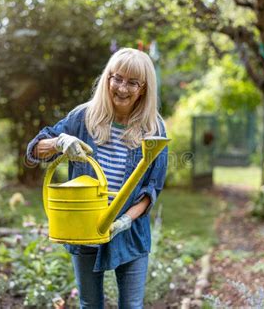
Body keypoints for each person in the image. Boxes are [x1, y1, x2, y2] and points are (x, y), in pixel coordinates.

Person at [25, 47, 168, 308]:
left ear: (144, 88)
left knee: (131, 306)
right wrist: (59, 142)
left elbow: (152, 188)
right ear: (107, 78)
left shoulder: (154, 128)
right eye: (117, 78)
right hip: (85, 226)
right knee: (90, 304)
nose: (123, 88)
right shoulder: (83, 117)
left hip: (130, 230)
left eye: (133, 82)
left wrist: (125, 220)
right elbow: (34, 150)